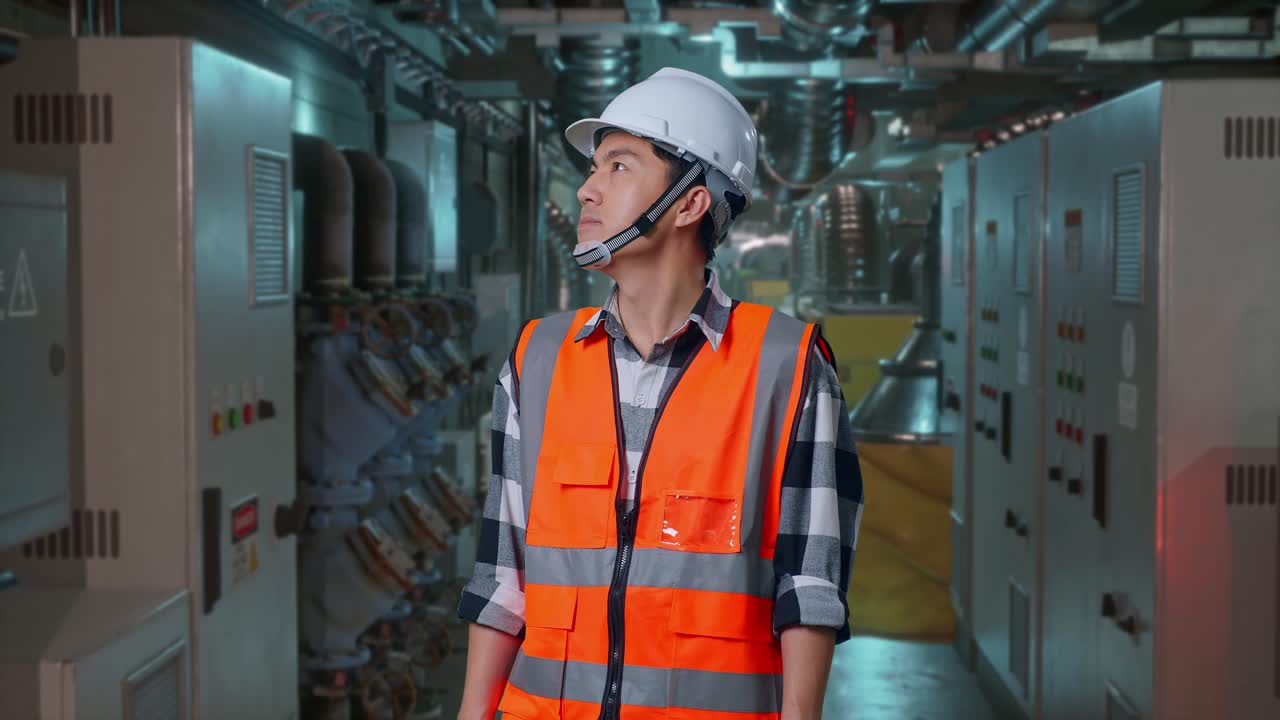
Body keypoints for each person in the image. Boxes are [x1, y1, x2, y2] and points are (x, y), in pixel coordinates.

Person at [456, 67, 865, 720]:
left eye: (618, 167)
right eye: (595, 168)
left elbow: (809, 591)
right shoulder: (535, 359)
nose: (588, 190)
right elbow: (501, 581)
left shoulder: (787, 366)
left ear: (690, 202)